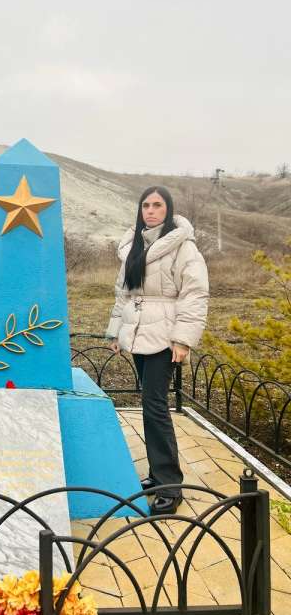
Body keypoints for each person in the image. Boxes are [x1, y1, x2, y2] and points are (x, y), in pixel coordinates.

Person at [105, 186, 209, 515]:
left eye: (157, 205)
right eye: (145, 205)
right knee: (150, 405)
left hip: (165, 335)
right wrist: (115, 331)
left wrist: (183, 338)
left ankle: (170, 486)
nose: (150, 210)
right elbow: (123, 293)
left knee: (156, 406)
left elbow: (194, 294)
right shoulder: (133, 245)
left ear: (169, 209)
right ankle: (157, 474)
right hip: (137, 332)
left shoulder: (183, 246)